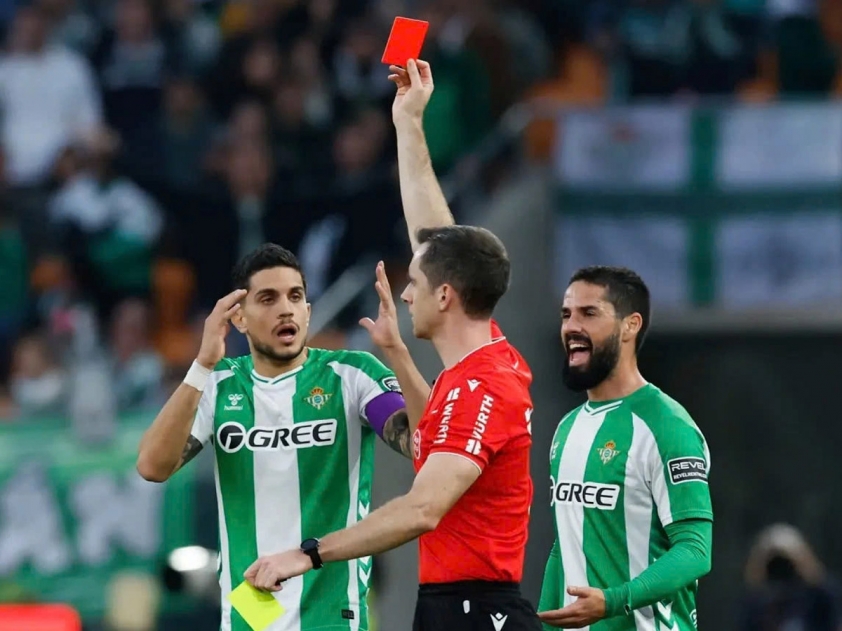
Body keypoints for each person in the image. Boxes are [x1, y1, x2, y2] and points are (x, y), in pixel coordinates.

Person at [243, 59, 542, 631]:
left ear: (447, 296)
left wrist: (306, 555)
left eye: (417, 284)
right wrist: (408, 124)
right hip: (452, 605)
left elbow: (423, 509)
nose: (406, 294)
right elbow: (438, 240)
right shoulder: (477, 363)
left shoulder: (483, 387)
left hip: (478, 611)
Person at [136, 243, 414, 631]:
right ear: (239, 318)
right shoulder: (218, 385)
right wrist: (202, 365)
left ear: (308, 311)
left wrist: (398, 353)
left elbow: (419, 442)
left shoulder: (352, 374)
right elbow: (152, 466)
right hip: (250, 619)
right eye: (268, 299)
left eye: (295, 297)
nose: (286, 309)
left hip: (330, 618)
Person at [537, 266, 714, 630]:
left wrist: (614, 601)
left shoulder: (667, 426)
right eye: (566, 315)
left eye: (589, 313)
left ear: (630, 326)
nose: (571, 327)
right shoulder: (566, 429)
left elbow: (695, 550)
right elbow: (565, 545)